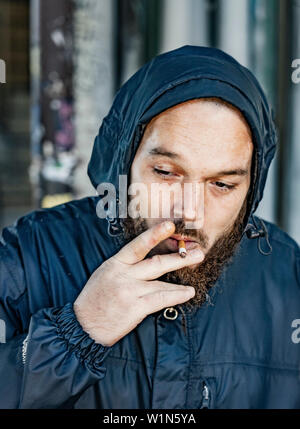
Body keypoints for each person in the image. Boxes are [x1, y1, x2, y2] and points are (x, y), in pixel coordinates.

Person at [0, 45, 299, 409]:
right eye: (166, 173)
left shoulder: (289, 276)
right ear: (123, 159)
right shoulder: (29, 256)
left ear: (251, 188)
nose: (190, 214)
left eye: (222, 184)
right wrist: (75, 333)